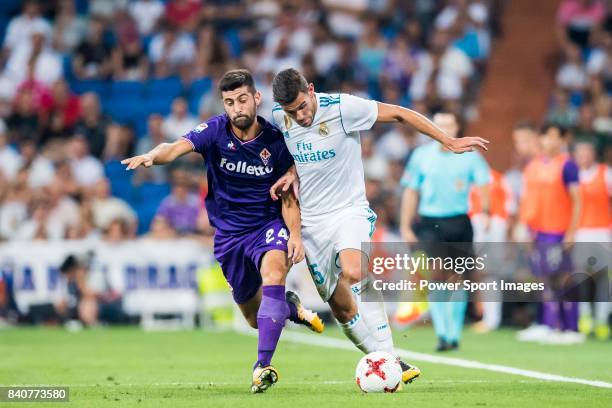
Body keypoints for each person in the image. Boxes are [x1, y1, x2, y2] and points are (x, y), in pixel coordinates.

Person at [269, 68, 488, 383]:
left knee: (355, 270)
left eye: (303, 106)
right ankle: (388, 360)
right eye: (292, 111)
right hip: (311, 222)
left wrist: (447, 140)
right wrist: (289, 169)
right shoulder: (279, 117)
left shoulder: (342, 108)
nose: (300, 116)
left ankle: (386, 359)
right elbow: (281, 150)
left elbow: (398, 114)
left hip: (348, 210)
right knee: (342, 308)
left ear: (312, 90)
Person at [121, 69, 323, 393]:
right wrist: (150, 156)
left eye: (242, 99)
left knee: (273, 273)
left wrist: (295, 235)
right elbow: (174, 148)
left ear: (256, 98)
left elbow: (288, 195)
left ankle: (262, 366)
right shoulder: (215, 131)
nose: (236, 107)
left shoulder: (275, 140)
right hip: (229, 236)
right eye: (229, 102)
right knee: (254, 318)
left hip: (267, 225)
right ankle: (288, 307)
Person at [400, 111, 490, 351]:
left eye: (449, 124)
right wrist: (405, 225)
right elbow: (411, 190)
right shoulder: (420, 156)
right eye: (439, 125)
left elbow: (483, 184)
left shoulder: (470, 155)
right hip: (431, 222)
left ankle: (453, 332)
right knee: (438, 274)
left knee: (458, 277)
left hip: (460, 221)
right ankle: (442, 333)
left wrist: (487, 213)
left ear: (457, 126)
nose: (444, 129)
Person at [519, 124, 583, 344]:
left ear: (563, 139)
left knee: (564, 278)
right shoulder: (533, 166)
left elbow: (577, 201)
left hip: (559, 230)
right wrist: (526, 228)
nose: (548, 141)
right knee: (542, 279)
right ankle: (549, 324)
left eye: (554, 137)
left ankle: (571, 328)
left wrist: (571, 232)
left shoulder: (568, 166)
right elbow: (528, 200)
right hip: (538, 231)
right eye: (545, 136)